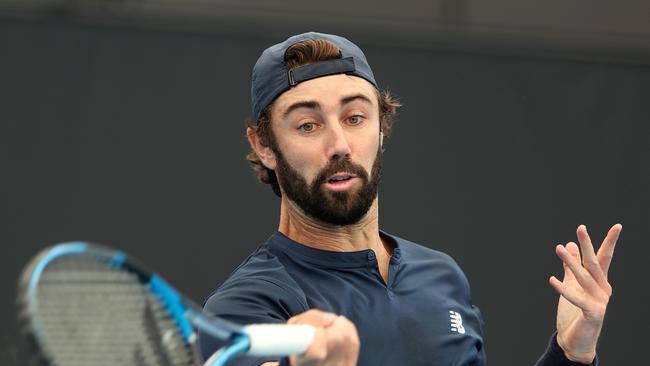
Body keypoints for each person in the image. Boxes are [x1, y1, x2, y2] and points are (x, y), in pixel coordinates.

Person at [199, 32, 622, 366]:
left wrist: (569, 355)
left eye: (355, 117)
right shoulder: (246, 308)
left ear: (382, 127)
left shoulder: (442, 277)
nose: (339, 144)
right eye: (308, 125)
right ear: (265, 146)